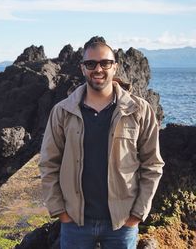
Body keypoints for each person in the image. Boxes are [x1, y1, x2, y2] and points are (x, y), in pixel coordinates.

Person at [38, 36, 164, 249]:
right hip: (75, 223)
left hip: (121, 224)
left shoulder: (139, 110)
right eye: (91, 64)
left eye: (105, 63)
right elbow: (48, 164)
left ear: (115, 67)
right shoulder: (62, 111)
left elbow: (152, 165)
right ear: (82, 68)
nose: (98, 69)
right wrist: (61, 212)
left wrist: (136, 216)